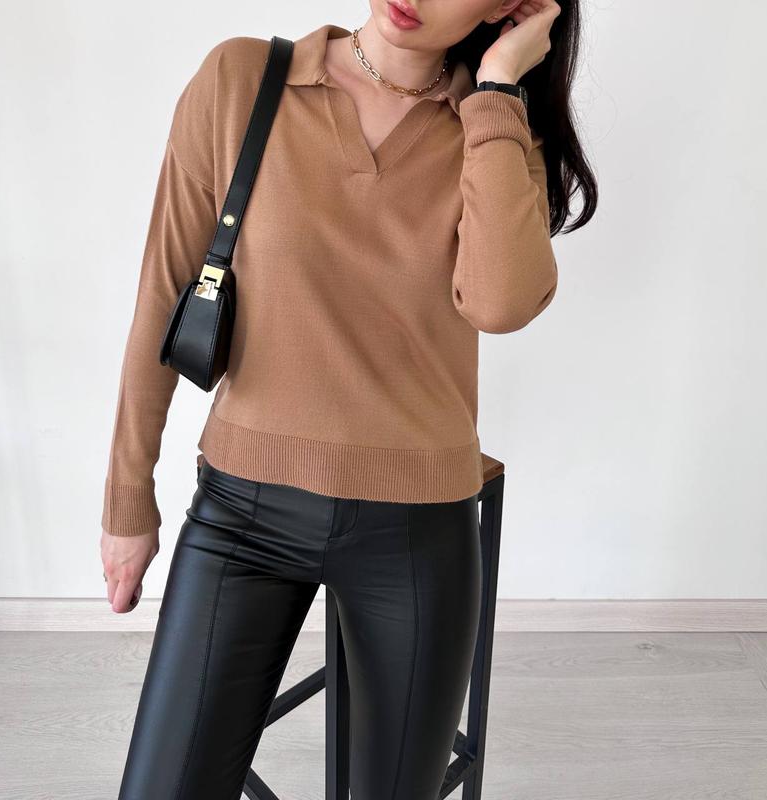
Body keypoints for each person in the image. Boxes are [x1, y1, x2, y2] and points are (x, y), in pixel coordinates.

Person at [100, 1, 596, 797]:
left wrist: (498, 88)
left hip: (416, 532)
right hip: (241, 517)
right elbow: (164, 291)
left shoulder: (496, 134)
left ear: (511, 8)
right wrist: (128, 499)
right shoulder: (241, 79)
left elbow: (500, 305)